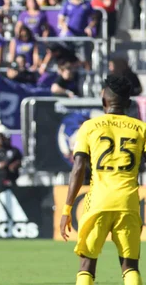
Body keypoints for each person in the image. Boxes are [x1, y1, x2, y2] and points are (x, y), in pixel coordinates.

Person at [60, 75, 145, 285]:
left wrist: (66, 209)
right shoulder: (141, 128)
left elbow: (78, 168)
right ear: (127, 102)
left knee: (87, 264)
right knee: (130, 266)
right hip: (128, 202)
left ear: (104, 101)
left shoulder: (89, 127)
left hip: (98, 201)